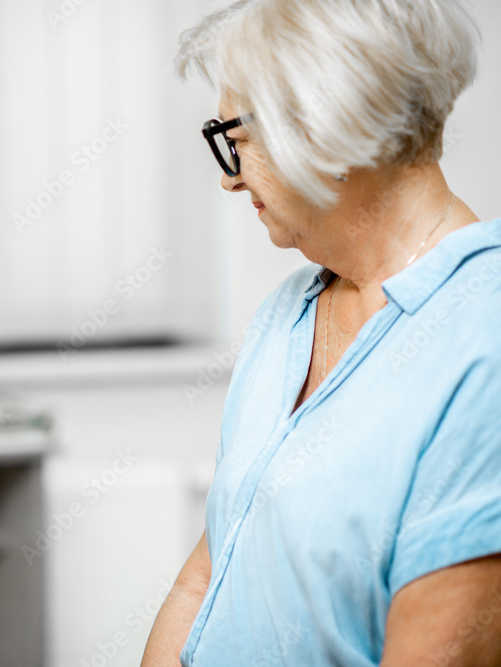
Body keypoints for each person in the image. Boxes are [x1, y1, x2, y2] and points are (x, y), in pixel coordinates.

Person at [142, 1, 501, 665]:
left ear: (327, 123)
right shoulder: (287, 312)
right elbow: (203, 579)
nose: (229, 176)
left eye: (237, 138)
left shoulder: (484, 336)